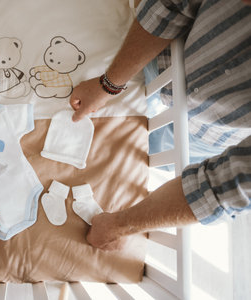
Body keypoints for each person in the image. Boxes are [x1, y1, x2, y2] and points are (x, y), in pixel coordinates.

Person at [70, 0, 251, 249]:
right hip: (175, 53)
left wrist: (119, 225)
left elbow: (225, 187)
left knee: (147, 152)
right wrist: (108, 85)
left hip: (208, 131)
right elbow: (170, 5)